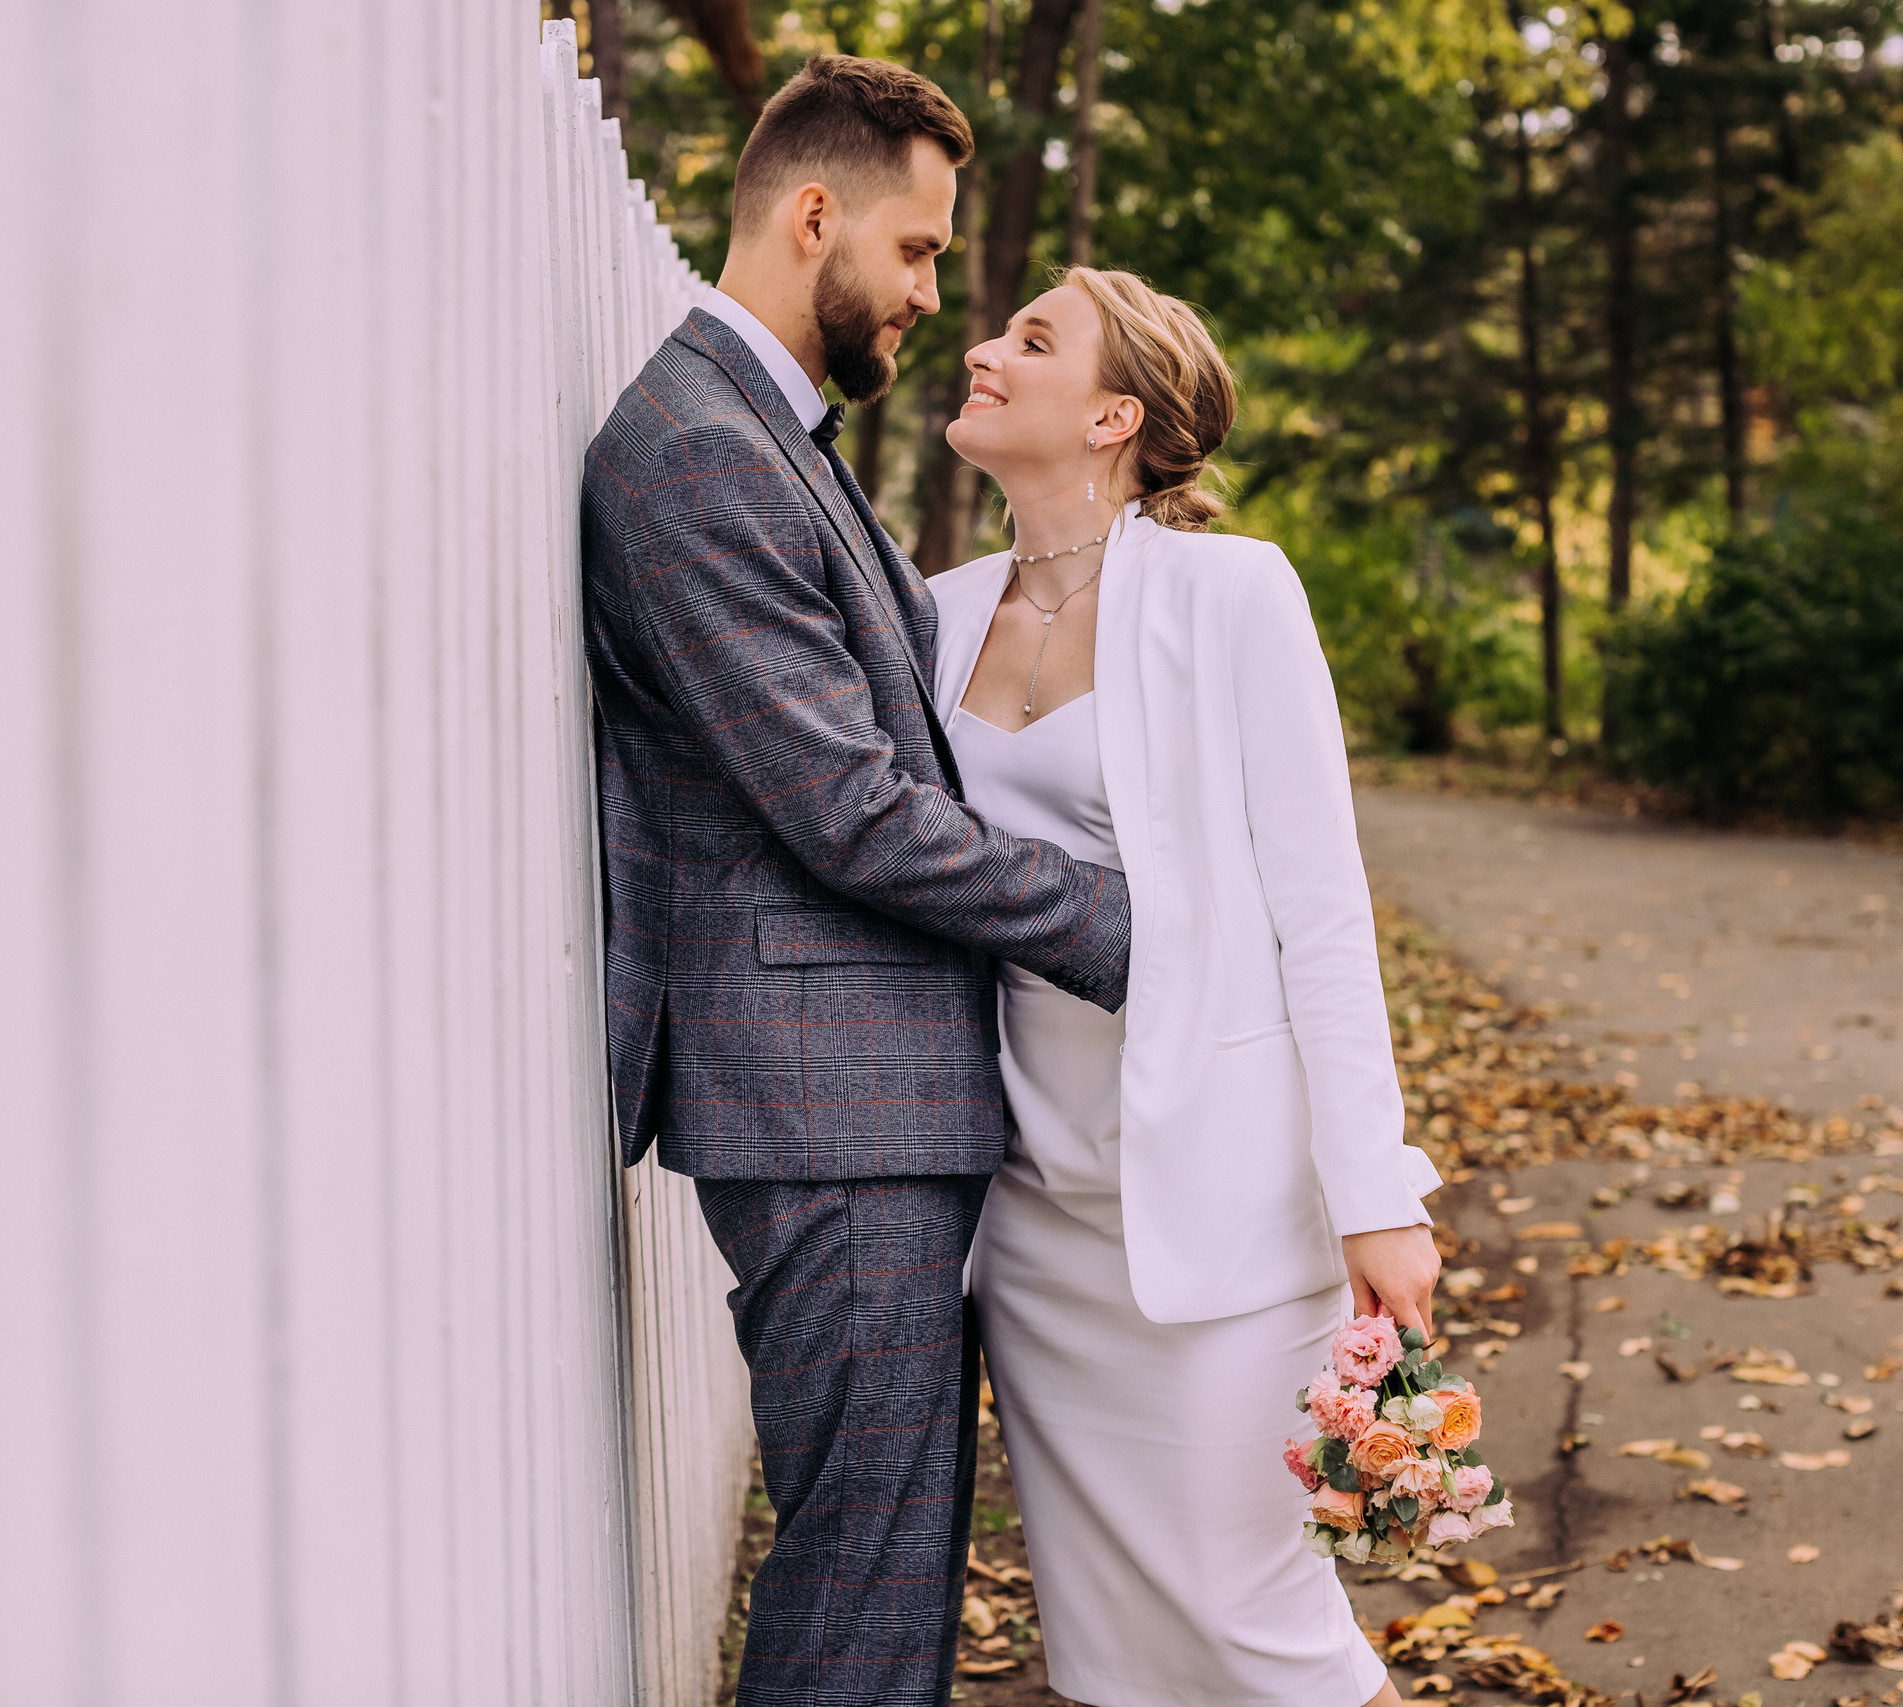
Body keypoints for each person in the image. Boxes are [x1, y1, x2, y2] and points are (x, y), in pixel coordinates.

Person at [580, 57, 1134, 1707]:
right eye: (914, 251)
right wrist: (1120, 927)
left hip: (869, 1099)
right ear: (815, 216)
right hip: (827, 1109)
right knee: (863, 1581)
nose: (928, 297)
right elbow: (852, 811)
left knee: (882, 1564)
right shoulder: (691, 451)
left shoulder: (770, 435)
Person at [931, 267, 1447, 1707]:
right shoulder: (932, 616)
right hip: (1036, 1221)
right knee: (1113, 1649)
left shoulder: (1232, 593)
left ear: (1116, 415)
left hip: (1223, 1215)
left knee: (1258, 1621)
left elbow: (1320, 908)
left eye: (1031, 340)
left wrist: (1376, 1190)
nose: (980, 348)